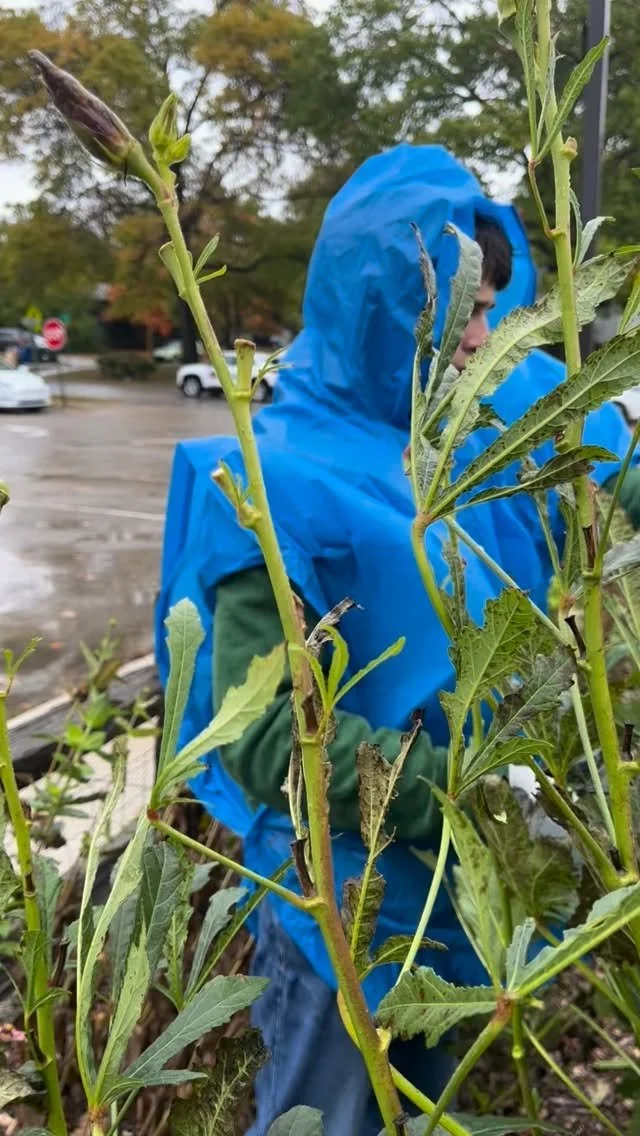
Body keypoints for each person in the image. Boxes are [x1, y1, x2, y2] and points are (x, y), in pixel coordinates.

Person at [156, 145, 637, 1135]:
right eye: (463, 306)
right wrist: (458, 795)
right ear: (383, 301)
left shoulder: (457, 439)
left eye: (491, 306)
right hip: (350, 904)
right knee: (328, 1112)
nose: (481, 333)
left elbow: (583, 456)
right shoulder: (266, 470)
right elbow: (262, 738)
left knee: (429, 1102)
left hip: (461, 903)